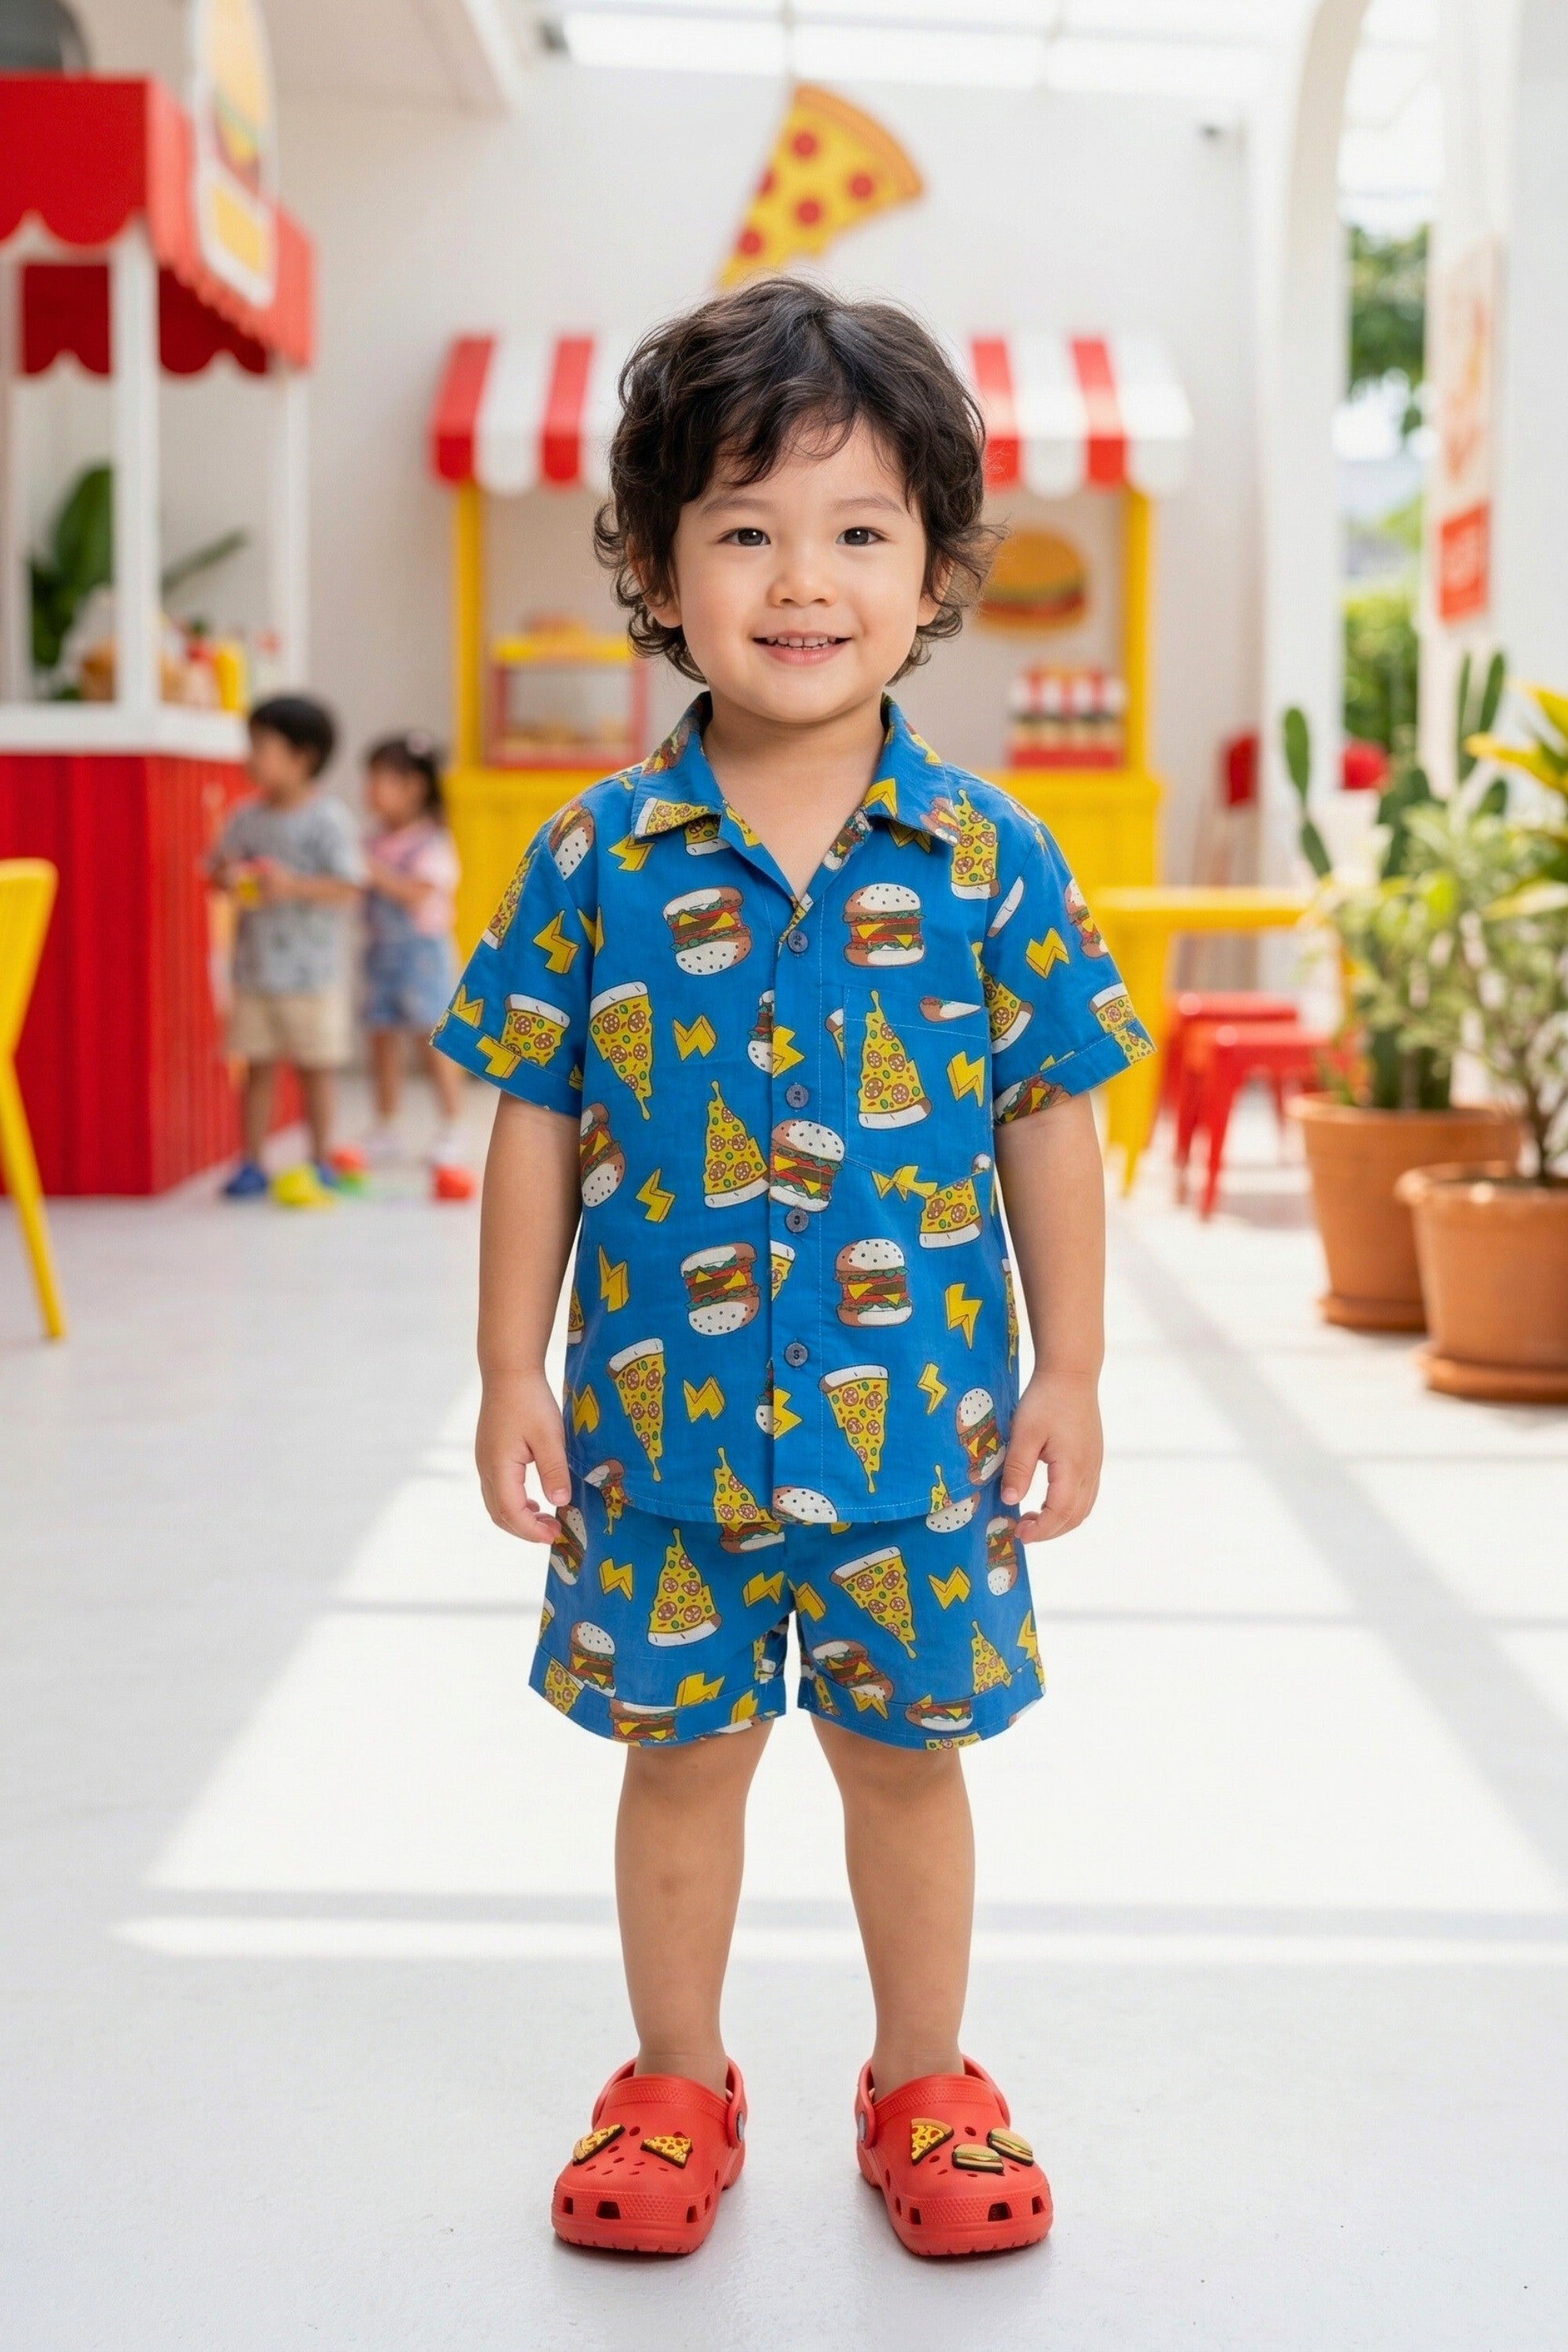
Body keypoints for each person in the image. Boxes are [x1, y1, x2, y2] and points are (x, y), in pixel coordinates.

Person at [433, 279, 1152, 2259]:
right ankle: (674, 2073)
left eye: (858, 531)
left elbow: (1046, 1121)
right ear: (657, 574)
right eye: (742, 529)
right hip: (655, 1437)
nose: (801, 577)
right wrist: (507, 1369)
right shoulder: (593, 855)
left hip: (913, 1436)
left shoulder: (988, 857)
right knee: (680, 1765)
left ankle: (923, 2073)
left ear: (933, 574)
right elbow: (530, 1117)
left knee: (903, 1768)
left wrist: (1069, 1367)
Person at [209, 695, 363, 1198]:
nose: (249, 758)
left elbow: (348, 887)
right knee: (256, 1066)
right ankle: (252, 1161)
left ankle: (321, 1158)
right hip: (254, 971)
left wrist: (292, 885)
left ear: (303, 757)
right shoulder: (246, 817)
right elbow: (216, 869)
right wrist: (231, 877)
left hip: (312, 974)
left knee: (316, 1068)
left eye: (261, 747)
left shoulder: (328, 819)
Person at [360, 731, 466, 1177]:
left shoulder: (431, 843)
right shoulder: (370, 841)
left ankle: (452, 1125)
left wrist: (371, 872)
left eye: (382, 780)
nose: (371, 790)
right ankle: (386, 1125)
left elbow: (418, 892)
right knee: (382, 1039)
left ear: (413, 787)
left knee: (433, 1041)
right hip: (379, 954)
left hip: (422, 956)